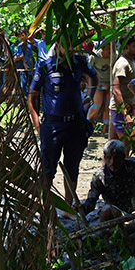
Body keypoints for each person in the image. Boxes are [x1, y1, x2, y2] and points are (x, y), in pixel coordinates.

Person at [28, 42, 99, 210]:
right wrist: (38, 124)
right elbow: (32, 96)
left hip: (76, 124)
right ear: (58, 44)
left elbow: (94, 77)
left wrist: (90, 96)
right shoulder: (46, 66)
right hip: (52, 125)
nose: (70, 48)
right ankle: (45, 207)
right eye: (66, 44)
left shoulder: (80, 62)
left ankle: (68, 206)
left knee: (72, 167)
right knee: (48, 168)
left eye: (72, 44)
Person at [80, 140, 135, 221]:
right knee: (106, 211)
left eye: (116, 158)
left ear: (123, 157)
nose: (112, 162)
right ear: (105, 158)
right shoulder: (100, 176)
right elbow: (91, 202)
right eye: (109, 158)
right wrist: (82, 208)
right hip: (115, 213)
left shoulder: (131, 166)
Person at [109, 35, 135, 144]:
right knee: (126, 144)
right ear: (126, 47)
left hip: (126, 107)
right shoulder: (122, 64)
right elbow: (116, 90)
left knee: (113, 144)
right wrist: (126, 114)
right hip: (121, 110)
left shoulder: (130, 61)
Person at [87, 42, 115, 135]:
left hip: (109, 83)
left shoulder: (115, 55)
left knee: (108, 106)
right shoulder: (95, 56)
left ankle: (105, 129)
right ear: (102, 49)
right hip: (98, 84)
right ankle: (87, 122)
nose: (110, 51)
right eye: (108, 49)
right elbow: (88, 72)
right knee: (97, 104)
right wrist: (91, 86)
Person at [14, 27, 37, 95]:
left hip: (32, 69)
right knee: (23, 86)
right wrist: (22, 57)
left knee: (32, 87)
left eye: (23, 35)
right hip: (23, 70)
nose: (21, 37)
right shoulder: (20, 46)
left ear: (27, 34)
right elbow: (15, 58)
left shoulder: (32, 44)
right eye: (20, 36)